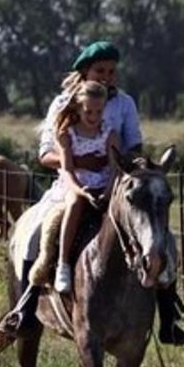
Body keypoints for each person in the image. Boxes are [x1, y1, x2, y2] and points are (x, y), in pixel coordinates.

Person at [1, 41, 184, 343]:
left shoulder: (124, 103)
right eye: (100, 70)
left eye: (112, 71)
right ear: (85, 71)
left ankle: (169, 317)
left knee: (160, 238)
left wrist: (132, 166)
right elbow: (45, 155)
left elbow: (132, 147)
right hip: (71, 184)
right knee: (37, 233)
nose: (107, 76)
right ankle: (26, 307)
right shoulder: (63, 102)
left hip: (114, 184)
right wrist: (80, 161)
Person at [49, 82, 118, 294]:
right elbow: (67, 170)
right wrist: (81, 191)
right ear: (79, 108)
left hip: (105, 183)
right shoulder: (67, 134)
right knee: (75, 204)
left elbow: (115, 168)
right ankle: (63, 263)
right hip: (76, 184)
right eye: (88, 111)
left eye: (99, 111)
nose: (94, 116)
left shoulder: (109, 133)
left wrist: (108, 192)